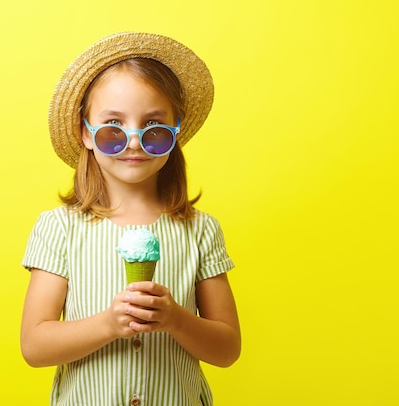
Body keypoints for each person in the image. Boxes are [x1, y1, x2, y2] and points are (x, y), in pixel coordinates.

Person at [20, 32, 240, 406]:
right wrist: (108, 324)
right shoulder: (59, 228)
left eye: (152, 128)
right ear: (84, 134)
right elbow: (34, 346)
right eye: (113, 129)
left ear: (174, 133)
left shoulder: (201, 230)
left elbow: (227, 349)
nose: (134, 142)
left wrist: (176, 319)